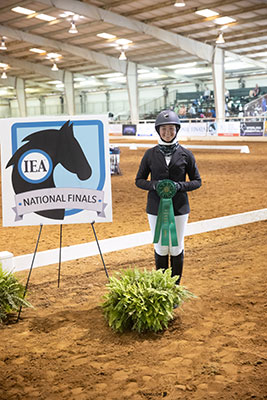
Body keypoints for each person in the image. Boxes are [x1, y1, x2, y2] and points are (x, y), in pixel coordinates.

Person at [135, 110, 202, 285]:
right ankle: (162, 288)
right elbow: (139, 180)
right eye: (163, 129)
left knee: (176, 246)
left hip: (179, 208)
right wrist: (155, 185)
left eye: (171, 129)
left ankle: (175, 288)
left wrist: (179, 186)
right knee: (160, 247)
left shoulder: (186, 154)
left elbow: (197, 181)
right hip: (155, 208)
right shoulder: (150, 154)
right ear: (158, 131)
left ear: (176, 130)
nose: (167, 133)